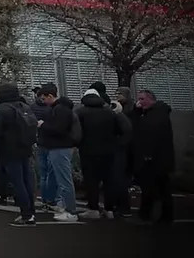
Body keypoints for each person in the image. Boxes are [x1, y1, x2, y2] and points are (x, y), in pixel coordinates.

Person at [0, 82, 38, 226]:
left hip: (9, 150)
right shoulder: (24, 106)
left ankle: (26, 214)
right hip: (25, 148)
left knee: (17, 182)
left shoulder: (2, 109)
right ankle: (31, 212)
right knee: (27, 181)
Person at [76, 86, 129, 220]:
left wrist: (77, 144)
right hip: (109, 152)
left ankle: (93, 208)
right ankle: (109, 209)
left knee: (91, 180)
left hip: (88, 152)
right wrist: (117, 143)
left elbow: (76, 132)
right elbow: (123, 129)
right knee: (108, 180)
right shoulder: (110, 112)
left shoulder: (80, 112)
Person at [129, 89, 174, 224]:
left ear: (150, 99)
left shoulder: (157, 115)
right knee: (152, 188)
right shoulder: (148, 114)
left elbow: (152, 136)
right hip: (153, 158)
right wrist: (136, 111)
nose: (139, 102)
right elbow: (134, 126)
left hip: (156, 159)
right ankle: (147, 214)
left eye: (142, 99)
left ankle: (157, 215)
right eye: (139, 99)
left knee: (158, 189)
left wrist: (148, 154)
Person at [35, 83, 79, 221]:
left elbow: (59, 129)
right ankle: (66, 207)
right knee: (61, 179)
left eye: (44, 98)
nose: (43, 102)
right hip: (59, 147)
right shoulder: (61, 108)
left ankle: (71, 211)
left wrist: (43, 125)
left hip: (59, 147)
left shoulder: (60, 109)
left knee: (64, 180)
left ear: (50, 96)